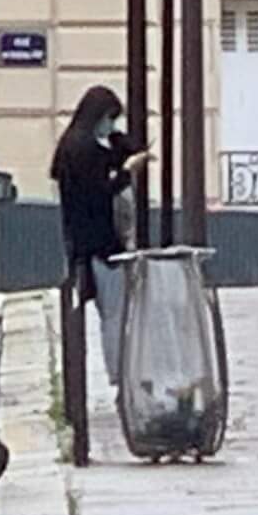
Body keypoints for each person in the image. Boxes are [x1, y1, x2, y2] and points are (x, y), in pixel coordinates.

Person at [49, 85, 148, 385]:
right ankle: (120, 375)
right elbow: (100, 193)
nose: (111, 126)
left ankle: (120, 374)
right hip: (102, 244)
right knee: (114, 315)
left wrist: (119, 143)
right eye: (109, 119)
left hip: (81, 243)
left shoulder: (72, 146)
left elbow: (120, 150)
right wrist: (127, 173)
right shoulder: (85, 151)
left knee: (111, 313)